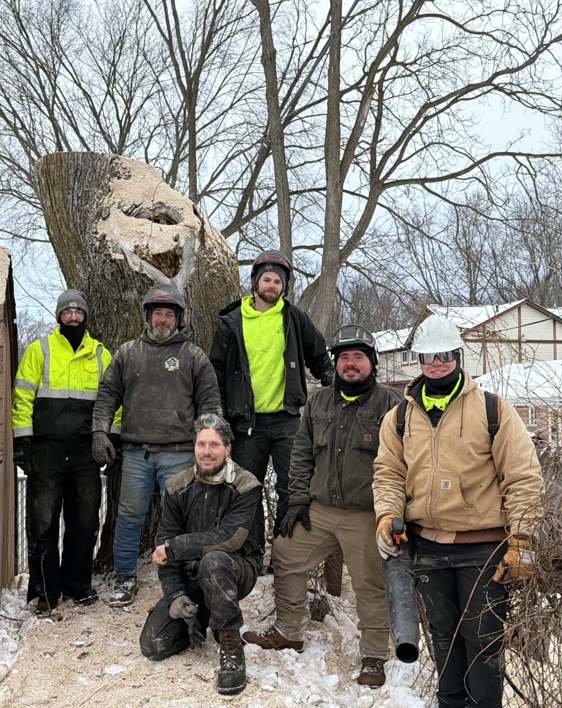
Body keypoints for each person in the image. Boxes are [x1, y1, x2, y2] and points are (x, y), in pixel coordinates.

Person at [373, 314, 543, 708]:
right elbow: (387, 475)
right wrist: (387, 514)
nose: (437, 363)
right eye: (428, 356)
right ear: (418, 360)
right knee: (443, 637)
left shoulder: (492, 411)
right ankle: (450, 703)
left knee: (483, 640)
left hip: (483, 549)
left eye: (445, 355)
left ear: (458, 355)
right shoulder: (398, 418)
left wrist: (523, 538)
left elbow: (523, 477)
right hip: (427, 547)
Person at [244, 325, 402, 687]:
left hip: (368, 514)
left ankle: (374, 656)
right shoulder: (317, 402)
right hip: (321, 509)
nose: (350, 364)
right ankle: (289, 630)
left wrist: (395, 510)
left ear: (372, 363)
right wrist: (297, 499)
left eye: (358, 357)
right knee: (285, 554)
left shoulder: (392, 404)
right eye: (344, 357)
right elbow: (301, 455)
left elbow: (406, 461)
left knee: (370, 585)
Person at [91, 284, 222, 607]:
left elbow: (210, 404)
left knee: (183, 518)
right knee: (129, 515)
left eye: (169, 314)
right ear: (147, 317)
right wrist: (99, 432)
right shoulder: (127, 353)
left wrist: (211, 447)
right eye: (157, 314)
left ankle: (184, 577)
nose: (162, 320)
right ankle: (124, 576)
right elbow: (107, 395)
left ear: (179, 320)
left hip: (179, 453)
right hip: (136, 452)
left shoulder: (192, 356)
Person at [210, 249, 334, 555]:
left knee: (292, 486)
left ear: (284, 287)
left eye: (278, 281)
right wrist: (220, 419)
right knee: (245, 488)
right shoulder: (231, 322)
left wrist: (341, 385)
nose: (272, 285)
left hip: (286, 419)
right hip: (245, 423)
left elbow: (320, 359)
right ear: (254, 281)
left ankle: (284, 551)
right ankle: (250, 553)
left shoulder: (294, 319)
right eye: (266, 279)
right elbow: (216, 374)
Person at [13, 289, 119, 615]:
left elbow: (115, 403)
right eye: (67, 312)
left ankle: (78, 585)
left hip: (86, 452)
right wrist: (23, 441)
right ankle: (45, 590)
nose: (73, 317)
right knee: (42, 523)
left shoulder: (102, 355)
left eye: (78, 312)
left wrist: (112, 438)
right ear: (59, 316)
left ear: (86, 316)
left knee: (84, 522)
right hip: (45, 451)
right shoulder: (39, 350)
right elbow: (22, 398)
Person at [140, 414, 261, 696]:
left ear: (227, 449)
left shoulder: (246, 485)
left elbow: (230, 538)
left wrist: (176, 547)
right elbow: (163, 546)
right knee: (154, 644)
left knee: (214, 560)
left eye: (214, 445)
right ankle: (203, 612)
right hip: (191, 576)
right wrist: (174, 594)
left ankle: (230, 645)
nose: (206, 451)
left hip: (235, 570)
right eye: (201, 444)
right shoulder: (177, 486)